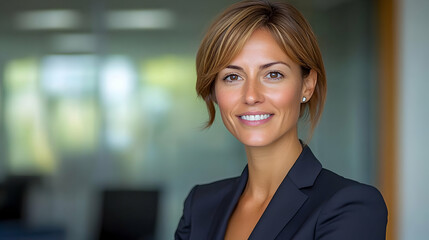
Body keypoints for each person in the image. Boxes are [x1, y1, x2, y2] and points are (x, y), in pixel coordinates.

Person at [175, 0, 388, 239]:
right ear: (214, 91)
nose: (251, 95)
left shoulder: (350, 207)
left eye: (273, 74)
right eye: (232, 76)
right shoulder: (200, 206)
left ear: (307, 84)